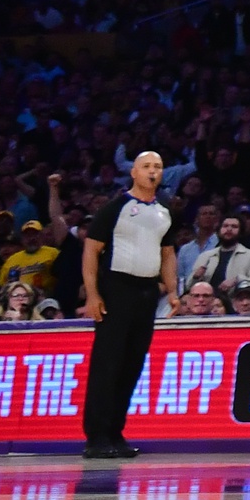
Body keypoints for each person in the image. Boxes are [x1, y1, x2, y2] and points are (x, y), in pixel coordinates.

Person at [81, 151, 176, 460]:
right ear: (134, 172)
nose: (152, 172)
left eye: (157, 167)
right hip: (116, 288)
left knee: (133, 363)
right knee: (107, 364)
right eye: (146, 167)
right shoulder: (115, 208)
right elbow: (92, 251)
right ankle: (96, 436)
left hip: (147, 291)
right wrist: (93, 295)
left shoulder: (165, 212)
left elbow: (168, 254)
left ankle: (116, 433)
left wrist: (173, 291)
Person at [188, 217, 250, 296]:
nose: (229, 229)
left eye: (234, 226)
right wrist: (195, 278)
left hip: (237, 303)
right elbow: (188, 287)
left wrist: (238, 280)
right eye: (225, 226)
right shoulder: (205, 256)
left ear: (240, 232)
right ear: (219, 230)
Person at [0, 220, 61, 300]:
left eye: (35, 234)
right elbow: (2, 285)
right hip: (17, 298)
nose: (31, 238)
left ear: (42, 236)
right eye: (27, 235)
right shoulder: (12, 259)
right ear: (22, 239)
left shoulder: (53, 253)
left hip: (45, 297)